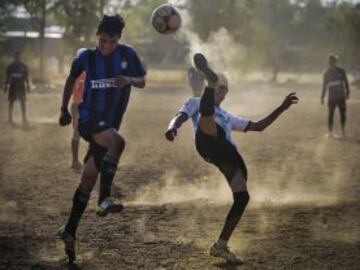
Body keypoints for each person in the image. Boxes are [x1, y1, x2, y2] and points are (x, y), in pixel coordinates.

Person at [165, 53, 298, 264]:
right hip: (206, 141)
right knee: (207, 116)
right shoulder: (195, 102)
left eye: (224, 87)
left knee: (243, 198)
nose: (223, 90)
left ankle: (221, 245)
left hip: (226, 154)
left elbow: (258, 126)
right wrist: (172, 128)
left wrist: (282, 108)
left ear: (225, 93)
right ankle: (210, 79)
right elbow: (180, 116)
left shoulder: (229, 116)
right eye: (218, 86)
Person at [58, 14, 146, 264]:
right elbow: (70, 80)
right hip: (89, 118)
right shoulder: (86, 56)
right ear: (98, 37)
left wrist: (127, 79)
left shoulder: (127, 54)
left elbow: (142, 81)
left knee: (87, 180)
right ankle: (105, 197)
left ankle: (69, 230)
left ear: (119, 39)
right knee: (118, 143)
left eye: (112, 41)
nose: (106, 46)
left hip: (108, 124)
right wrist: (64, 109)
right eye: (103, 40)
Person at [321, 54, 350, 138]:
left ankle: (343, 131)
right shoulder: (326, 73)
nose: (332, 63)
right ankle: (330, 132)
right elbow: (324, 86)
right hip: (332, 98)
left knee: (343, 114)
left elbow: (346, 82)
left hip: (341, 97)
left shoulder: (341, 71)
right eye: (330, 62)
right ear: (328, 63)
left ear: (336, 62)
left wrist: (347, 93)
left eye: (333, 61)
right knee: (330, 114)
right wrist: (322, 97)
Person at [70, 48, 86, 170]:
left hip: (85, 105)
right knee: (77, 132)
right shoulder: (76, 72)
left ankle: (96, 159)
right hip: (77, 105)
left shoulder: (91, 71)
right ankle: (75, 161)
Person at [4, 51, 30, 126]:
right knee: (11, 102)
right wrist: (6, 86)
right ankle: (10, 118)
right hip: (13, 87)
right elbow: (7, 78)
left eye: (18, 57)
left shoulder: (23, 66)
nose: (17, 58)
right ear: (14, 58)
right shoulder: (10, 67)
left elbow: (26, 78)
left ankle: (24, 117)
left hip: (21, 86)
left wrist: (28, 86)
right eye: (16, 57)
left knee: (22, 102)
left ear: (20, 57)